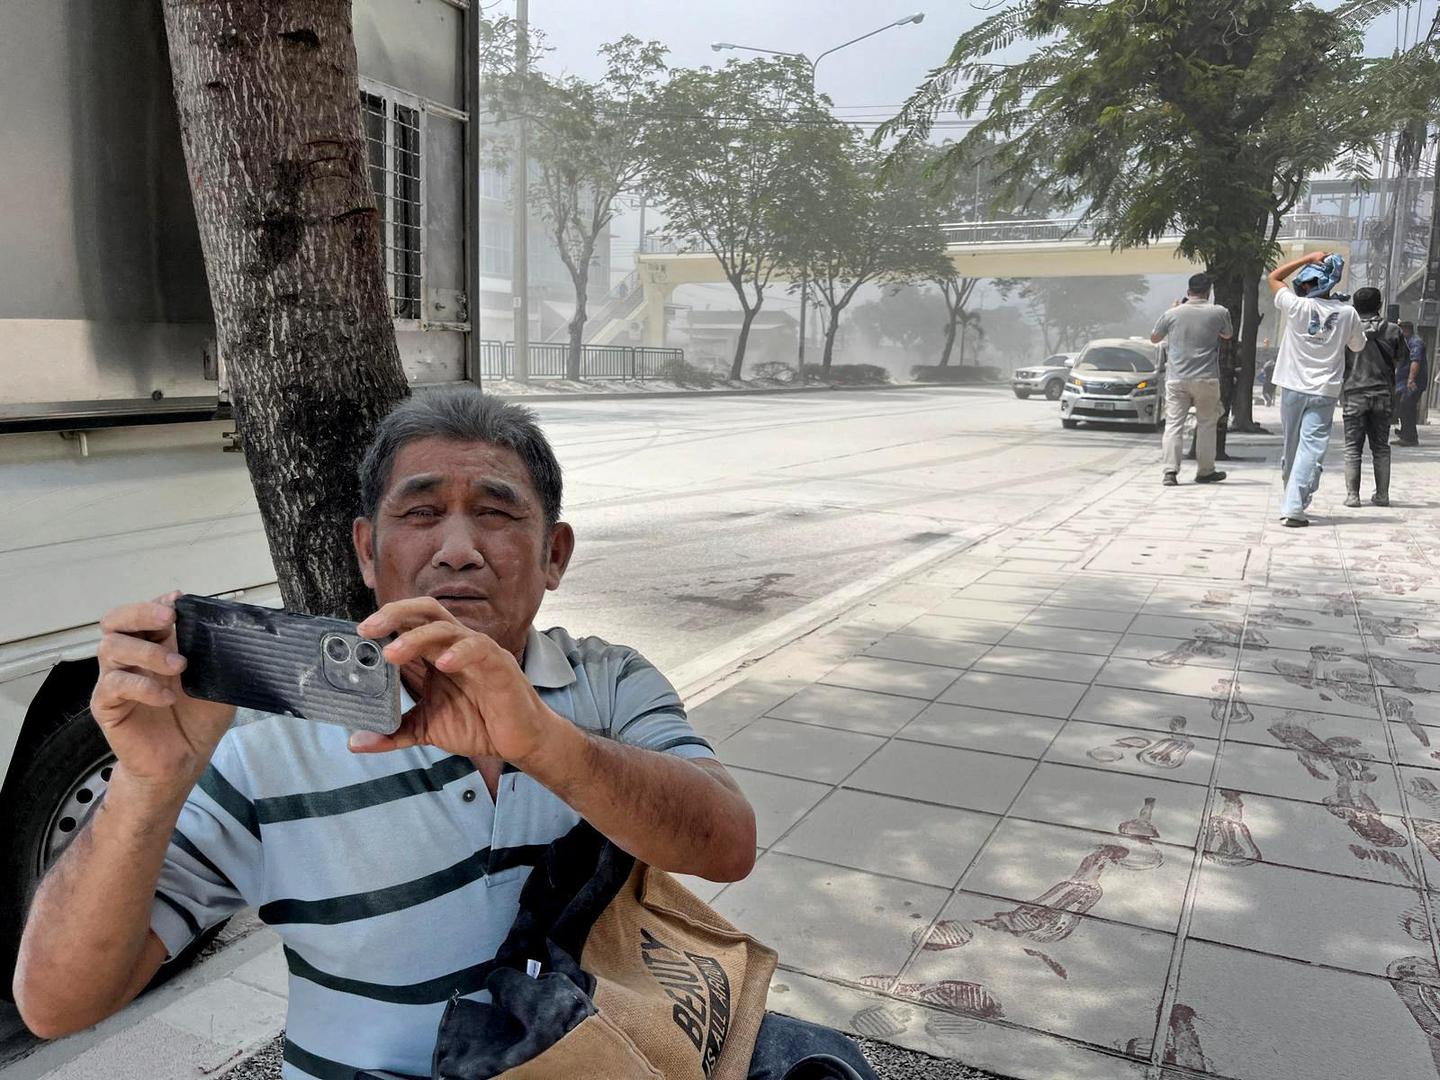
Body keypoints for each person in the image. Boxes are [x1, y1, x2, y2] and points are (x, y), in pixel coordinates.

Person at [12, 390, 883, 1080]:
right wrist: (148, 784)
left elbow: (726, 844)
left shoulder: (609, 683)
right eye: (421, 512)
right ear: (367, 551)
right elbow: (56, 1005)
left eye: (497, 513)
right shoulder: (262, 739)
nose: (459, 548)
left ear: (554, 555)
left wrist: (543, 741)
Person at [1267, 251, 1368, 527]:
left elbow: (1274, 277)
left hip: (1292, 387)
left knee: (1292, 446)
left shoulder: (1296, 306)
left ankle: (1292, 501)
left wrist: (1306, 259)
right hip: (1324, 390)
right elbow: (1358, 346)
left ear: (1306, 284)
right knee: (1311, 448)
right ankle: (1294, 503)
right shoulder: (1347, 313)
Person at [1150, 272, 1233, 486]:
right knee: (1206, 424)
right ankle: (1205, 471)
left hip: (1177, 378)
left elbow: (1155, 338)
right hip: (1207, 378)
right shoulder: (1219, 311)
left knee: (1173, 425)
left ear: (1188, 291)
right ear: (1209, 292)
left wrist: (1174, 310)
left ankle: (1170, 471)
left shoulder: (1172, 313)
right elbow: (1227, 334)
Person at [1341, 287, 1405, 507]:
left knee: (1352, 447)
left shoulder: (1347, 329)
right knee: (1381, 447)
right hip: (1382, 395)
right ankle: (1382, 495)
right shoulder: (1393, 330)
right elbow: (1402, 358)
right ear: (1379, 305)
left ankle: (1352, 495)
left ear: (1355, 307)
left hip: (1354, 394)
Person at [1396, 320, 1427, 446]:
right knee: (1402, 406)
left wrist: (1411, 379)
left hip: (1413, 382)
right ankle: (1405, 434)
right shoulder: (1404, 342)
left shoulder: (1415, 342)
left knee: (1407, 406)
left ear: (1405, 329)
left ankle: (1410, 437)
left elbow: (1416, 361)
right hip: (1403, 382)